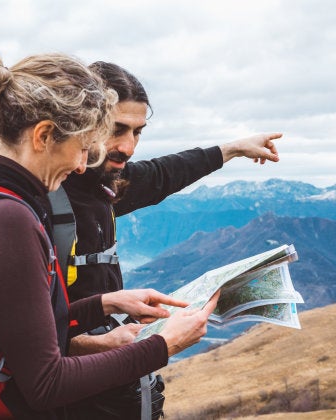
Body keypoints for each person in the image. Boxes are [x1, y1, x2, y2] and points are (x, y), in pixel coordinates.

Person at [0, 52, 218, 419]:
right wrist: (164, 344)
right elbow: (46, 383)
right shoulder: (9, 220)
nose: (84, 165)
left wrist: (108, 303)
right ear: (44, 135)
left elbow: (21, 326)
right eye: (84, 148)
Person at [59, 61, 283, 418]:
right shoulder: (45, 202)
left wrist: (235, 148)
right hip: (69, 398)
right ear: (81, 121)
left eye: (137, 132)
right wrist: (93, 346)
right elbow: (12, 337)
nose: (128, 147)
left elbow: (163, 174)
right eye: (117, 129)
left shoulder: (103, 185)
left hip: (114, 383)